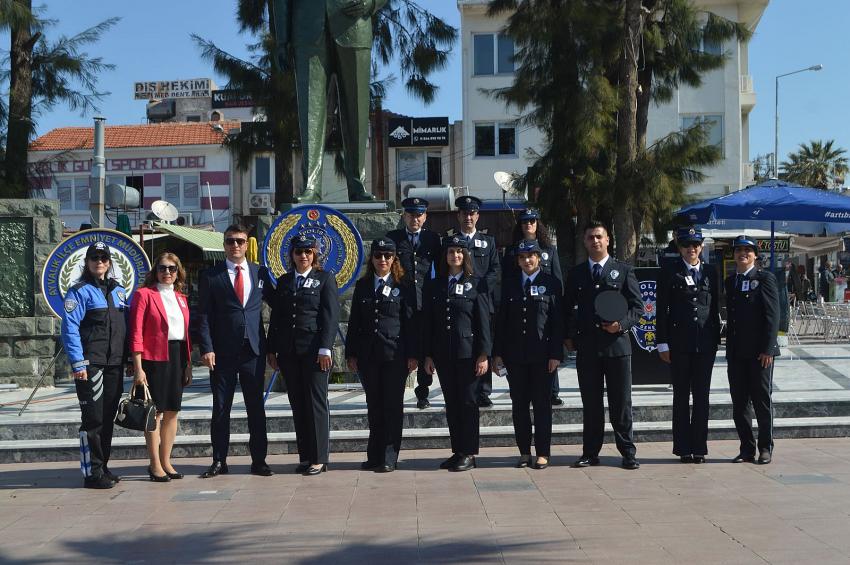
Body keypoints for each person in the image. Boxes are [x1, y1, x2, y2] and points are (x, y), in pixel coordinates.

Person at [271, 0, 385, 202]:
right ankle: (310, 186)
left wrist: (371, 3)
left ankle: (358, 184)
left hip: (354, 22)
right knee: (309, 112)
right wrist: (281, 40)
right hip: (307, 28)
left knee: (357, 111)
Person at [564, 221, 643, 470]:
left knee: (621, 404)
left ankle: (628, 452)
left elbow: (638, 308)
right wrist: (569, 336)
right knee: (591, 404)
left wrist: (620, 325)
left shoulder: (624, 270)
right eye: (590, 237)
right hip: (588, 348)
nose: (595, 241)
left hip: (617, 347)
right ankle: (590, 452)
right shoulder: (576, 273)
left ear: (608, 240)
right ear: (585, 242)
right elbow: (567, 308)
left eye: (599, 236)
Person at [197, 224, 273, 478]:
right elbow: (203, 315)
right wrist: (206, 348)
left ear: (247, 244)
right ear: (224, 245)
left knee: (256, 407)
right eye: (230, 241)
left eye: (240, 241)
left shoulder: (260, 272)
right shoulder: (211, 275)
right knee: (221, 408)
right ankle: (219, 460)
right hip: (222, 352)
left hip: (253, 350)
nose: (235, 245)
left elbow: (279, 304)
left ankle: (259, 460)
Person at [267, 235, 339, 476]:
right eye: (299, 252)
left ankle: (319, 458)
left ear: (315, 254)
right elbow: (277, 318)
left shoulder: (325, 279)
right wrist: (271, 349)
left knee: (316, 403)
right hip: (289, 352)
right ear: (292, 255)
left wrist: (325, 348)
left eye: (308, 251)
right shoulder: (285, 281)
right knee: (298, 404)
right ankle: (306, 456)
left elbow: (330, 316)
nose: (303, 256)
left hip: (314, 352)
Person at [345, 239, 418, 473]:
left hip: (394, 354)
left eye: (387, 256)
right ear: (372, 259)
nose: (383, 260)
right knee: (374, 405)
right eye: (378, 256)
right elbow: (355, 321)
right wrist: (351, 353)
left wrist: (413, 354)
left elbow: (410, 322)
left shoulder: (403, 285)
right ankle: (374, 455)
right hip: (369, 355)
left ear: (394, 258)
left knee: (392, 406)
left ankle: (389, 455)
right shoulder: (363, 285)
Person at [60, 242, 128, 489]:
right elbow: (69, 329)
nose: (99, 262)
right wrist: (78, 363)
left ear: (109, 263)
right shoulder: (78, 291)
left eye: (103, 258)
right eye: (94, 258)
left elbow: (124, 327)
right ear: (87, 262)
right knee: (93, 420)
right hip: (91, 365)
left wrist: (128, 359)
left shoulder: (118, 290)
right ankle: (92, 473)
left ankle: (103, 467)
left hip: (114, 364)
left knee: (107, 418)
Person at [422, 236, 491, 472]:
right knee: (452, 403)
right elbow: (428, 323)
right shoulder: (435, 285)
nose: (455, 256)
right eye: (451, 252)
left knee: (468, 402)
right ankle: (458, 451)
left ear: (466, 255)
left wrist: (484, 353)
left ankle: (469, 453)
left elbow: (483, 321)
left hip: (468, 354)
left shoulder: (476, 283)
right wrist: (428, 355)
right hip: (443, 353)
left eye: (459, 252)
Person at [493, 239, 564, 469]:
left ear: (539, 258)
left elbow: (557, 322)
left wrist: (556, 354)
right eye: (522, 257)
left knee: (542, 405)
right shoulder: (510, 284)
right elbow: (501, 322)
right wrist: (498, 353)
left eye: (531, 256)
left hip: (542, 356)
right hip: (515, 356)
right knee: (519, 406)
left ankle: (543, 452)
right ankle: (524, 451)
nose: (527, 260)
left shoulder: (551, 283)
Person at [655, 228, 720, 463]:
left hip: (705, 344)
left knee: (702, 397)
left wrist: (717, 341)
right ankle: (683, 447)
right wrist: (662, 342)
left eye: (695, 244)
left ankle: (699, 448)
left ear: (701, 247)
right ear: (680, 247)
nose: (691, 249)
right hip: (679, 344)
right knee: (681, 397)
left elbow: (715, 307)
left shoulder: (711, 272)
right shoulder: (669, 272)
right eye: (686, 245)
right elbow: (661, 309)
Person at [129, 252, 192, 482]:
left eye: (172, 269)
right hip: (153, 359)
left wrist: (188, 364)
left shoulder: (181, 298)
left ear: (178, 272)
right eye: (163, 268)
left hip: (177, 356)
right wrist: (138, 367)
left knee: (172, 411)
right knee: (155, 413)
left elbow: (185, 333)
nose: (167, 272)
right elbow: (136, 332)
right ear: (155, 271)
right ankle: (154, 464)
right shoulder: (144, 294)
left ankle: (166, 461)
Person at [725, 235, 780, 465]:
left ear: (755, 255)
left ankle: (765, 447)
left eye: (747, 250)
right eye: (738, 250)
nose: (743, 254)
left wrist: (769, 348)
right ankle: (746, 448)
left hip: (760, 353)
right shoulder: (731, 281)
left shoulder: (764, 278)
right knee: (739, 403)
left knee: (761, 401)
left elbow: (773, 315)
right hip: (736, 352)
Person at [501, 208, 564, 405]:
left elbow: (557, 280)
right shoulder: (512, 251)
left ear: (538, 224)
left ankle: (553, 391)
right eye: (525, 222)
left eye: (532, 221)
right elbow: (507, 280)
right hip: (519, 306)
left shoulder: (549, 250)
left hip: (543, 307)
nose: (528, 224)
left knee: (547, 352)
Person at [386, 197, 441, 409]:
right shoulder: (393, 238)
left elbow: (440, 270)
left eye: (419, 215)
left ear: (425, 216)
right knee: (403, 347)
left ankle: (423, 392)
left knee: (426, 348)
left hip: (425, 302)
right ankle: (396, 391)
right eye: (411, 215)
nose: (415, 219)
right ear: (404, 216)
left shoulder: (432, 239)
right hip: (401, 303)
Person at [453, 195, 500, 407]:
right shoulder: (451, 241)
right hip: (458, 302)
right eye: (465, 213)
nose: (468, 217)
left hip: (481, 301)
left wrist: (478, 289)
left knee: (483, 343)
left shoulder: (488, 242)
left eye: (472, 213)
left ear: (478, 216)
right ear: (459, 215)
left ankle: (483, 390)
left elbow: (495, 270)